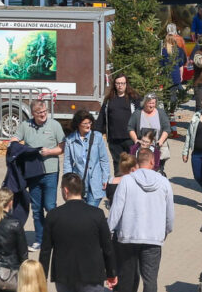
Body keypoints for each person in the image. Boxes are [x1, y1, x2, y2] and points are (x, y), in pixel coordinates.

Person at [39, 173, 117, 292]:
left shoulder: (53, 215)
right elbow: (107, 247)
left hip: (64, 276)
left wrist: (41, 276)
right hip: (92, 274)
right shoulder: (97, 214)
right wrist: (111, 272)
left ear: (65, 190)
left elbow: (45, 250)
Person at [108, 152, 174, 292]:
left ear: (137, 163)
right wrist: (166, 231)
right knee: (150, 280)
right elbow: (170, 214)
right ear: (152, 162)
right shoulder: (164, 182)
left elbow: (116, 210)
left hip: (128, 237)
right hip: (153, 238)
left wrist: (109, 230)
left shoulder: (126, 180)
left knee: (126, 278)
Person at [11, 100, 65, 252]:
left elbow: (62, 148)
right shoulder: (25, 126)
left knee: (50, 206)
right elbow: (14, 140)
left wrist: (49, 152)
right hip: (32, 173)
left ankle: (55, 238)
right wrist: (15, 145)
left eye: (44, 111)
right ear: (32, 113)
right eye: (39, 113)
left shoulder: (55, 125)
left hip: (50, 172)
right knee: (36, 208)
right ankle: (40, 240)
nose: (43, 115)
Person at [63, 110, 110, 207]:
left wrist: (105, 178)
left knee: (90, 212)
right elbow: (68, 162)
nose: (88, 125)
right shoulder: (70, 140)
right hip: (78, 184)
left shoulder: (97, 137)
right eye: (85, 123)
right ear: (78, 124)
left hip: (95, 183)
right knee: (80, 214)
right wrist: (67, 181)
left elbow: (104, 160)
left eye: (90, 122)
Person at [95, 74, 141, 170]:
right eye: (118, 83)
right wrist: (96, 133)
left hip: (130, 138)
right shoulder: (109, 100)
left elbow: (140, 117)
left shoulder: (134, 99)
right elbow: (102, 117)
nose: (120, 85)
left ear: (126, 84)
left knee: (132, 163)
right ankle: (118, 184)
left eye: (122, 83)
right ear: (114, 85)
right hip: (114, 139)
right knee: (118, 164)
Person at [127, 92, 171, 171]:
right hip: (142, 146)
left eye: (153, 103)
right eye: (149, 103)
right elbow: (130, 128)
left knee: (157, 168)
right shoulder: (138, 113)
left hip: (157, 147)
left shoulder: (160, 113)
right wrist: (135, 139)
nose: (151, 105)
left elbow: (167, 128)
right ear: (144, 102)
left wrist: (161, 140)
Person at [159, 35, 187, 115]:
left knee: (165, 94)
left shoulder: (163, 51)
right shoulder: (179, 50)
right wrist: (181, 75)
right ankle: (172, 111)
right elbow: (181, 65)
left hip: (166, 75)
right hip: (175, 74)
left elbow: (161, 64)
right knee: (173, 94)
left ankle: (165, 110)